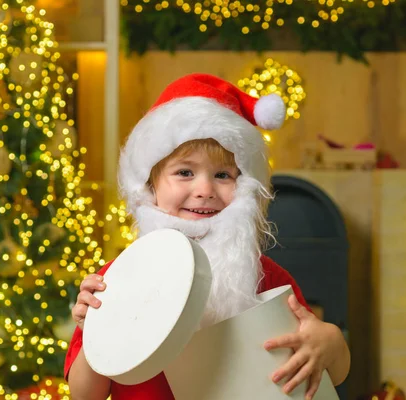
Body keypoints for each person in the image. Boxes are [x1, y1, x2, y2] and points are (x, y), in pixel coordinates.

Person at [64, 73, 350, 400]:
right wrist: (95, 334)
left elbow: (336, 370)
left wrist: (328, 342)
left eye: (223, 175)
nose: (204, 191)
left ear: (244, 187)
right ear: (150, 185)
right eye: (185, 172)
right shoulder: (116, 281)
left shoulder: (266, 277)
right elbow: (84, 395)